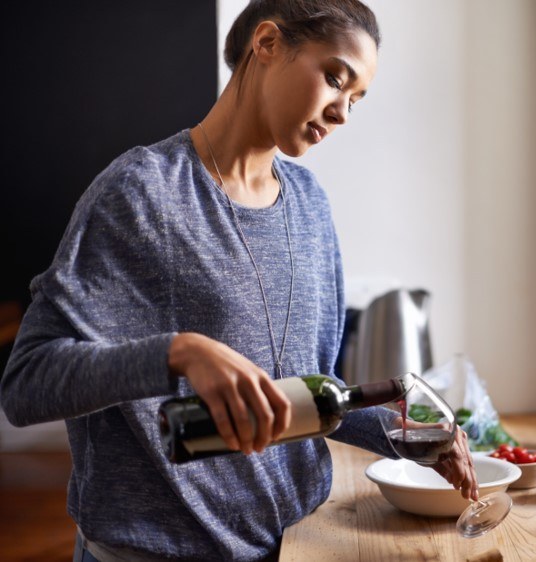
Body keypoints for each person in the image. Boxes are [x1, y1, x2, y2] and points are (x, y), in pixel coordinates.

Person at [0, 1, 478, 560]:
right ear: (268, 44)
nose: (343, 112)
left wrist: (404, 433)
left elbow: (305, 391)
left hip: (295, 544)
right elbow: (26, 384)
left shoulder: (310, 207)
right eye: (334, 78)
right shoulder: (141, 194)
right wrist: (179, 354)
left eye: (355, 99)